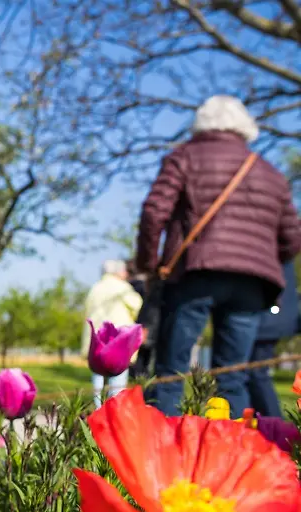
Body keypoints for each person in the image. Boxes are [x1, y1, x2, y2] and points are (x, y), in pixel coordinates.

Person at [136, 95, 301, 418]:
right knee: (232, 377)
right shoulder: (270, 174)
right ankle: (234, 458)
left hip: (196, 274)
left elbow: (154, 211)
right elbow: (293, 238)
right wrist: (259, 259)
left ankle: (157, 455)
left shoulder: (183, 158)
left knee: (171, 370)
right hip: (251, 285)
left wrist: (148, 264)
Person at [82, 260, 143, 407]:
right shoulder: (123, 288)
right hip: (117, 341)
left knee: (97, 381)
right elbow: (137, 305)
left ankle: (98, 412)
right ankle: (113, 414)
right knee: (117, 383)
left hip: (96, 341)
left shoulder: (95, 288)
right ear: (119, 272)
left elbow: (87, 309)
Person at [243, 261, 299, 418]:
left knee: (254, 373)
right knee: (246, 374)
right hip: (267, 309)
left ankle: (273, 429)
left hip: (269, 311)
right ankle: (259, 427)